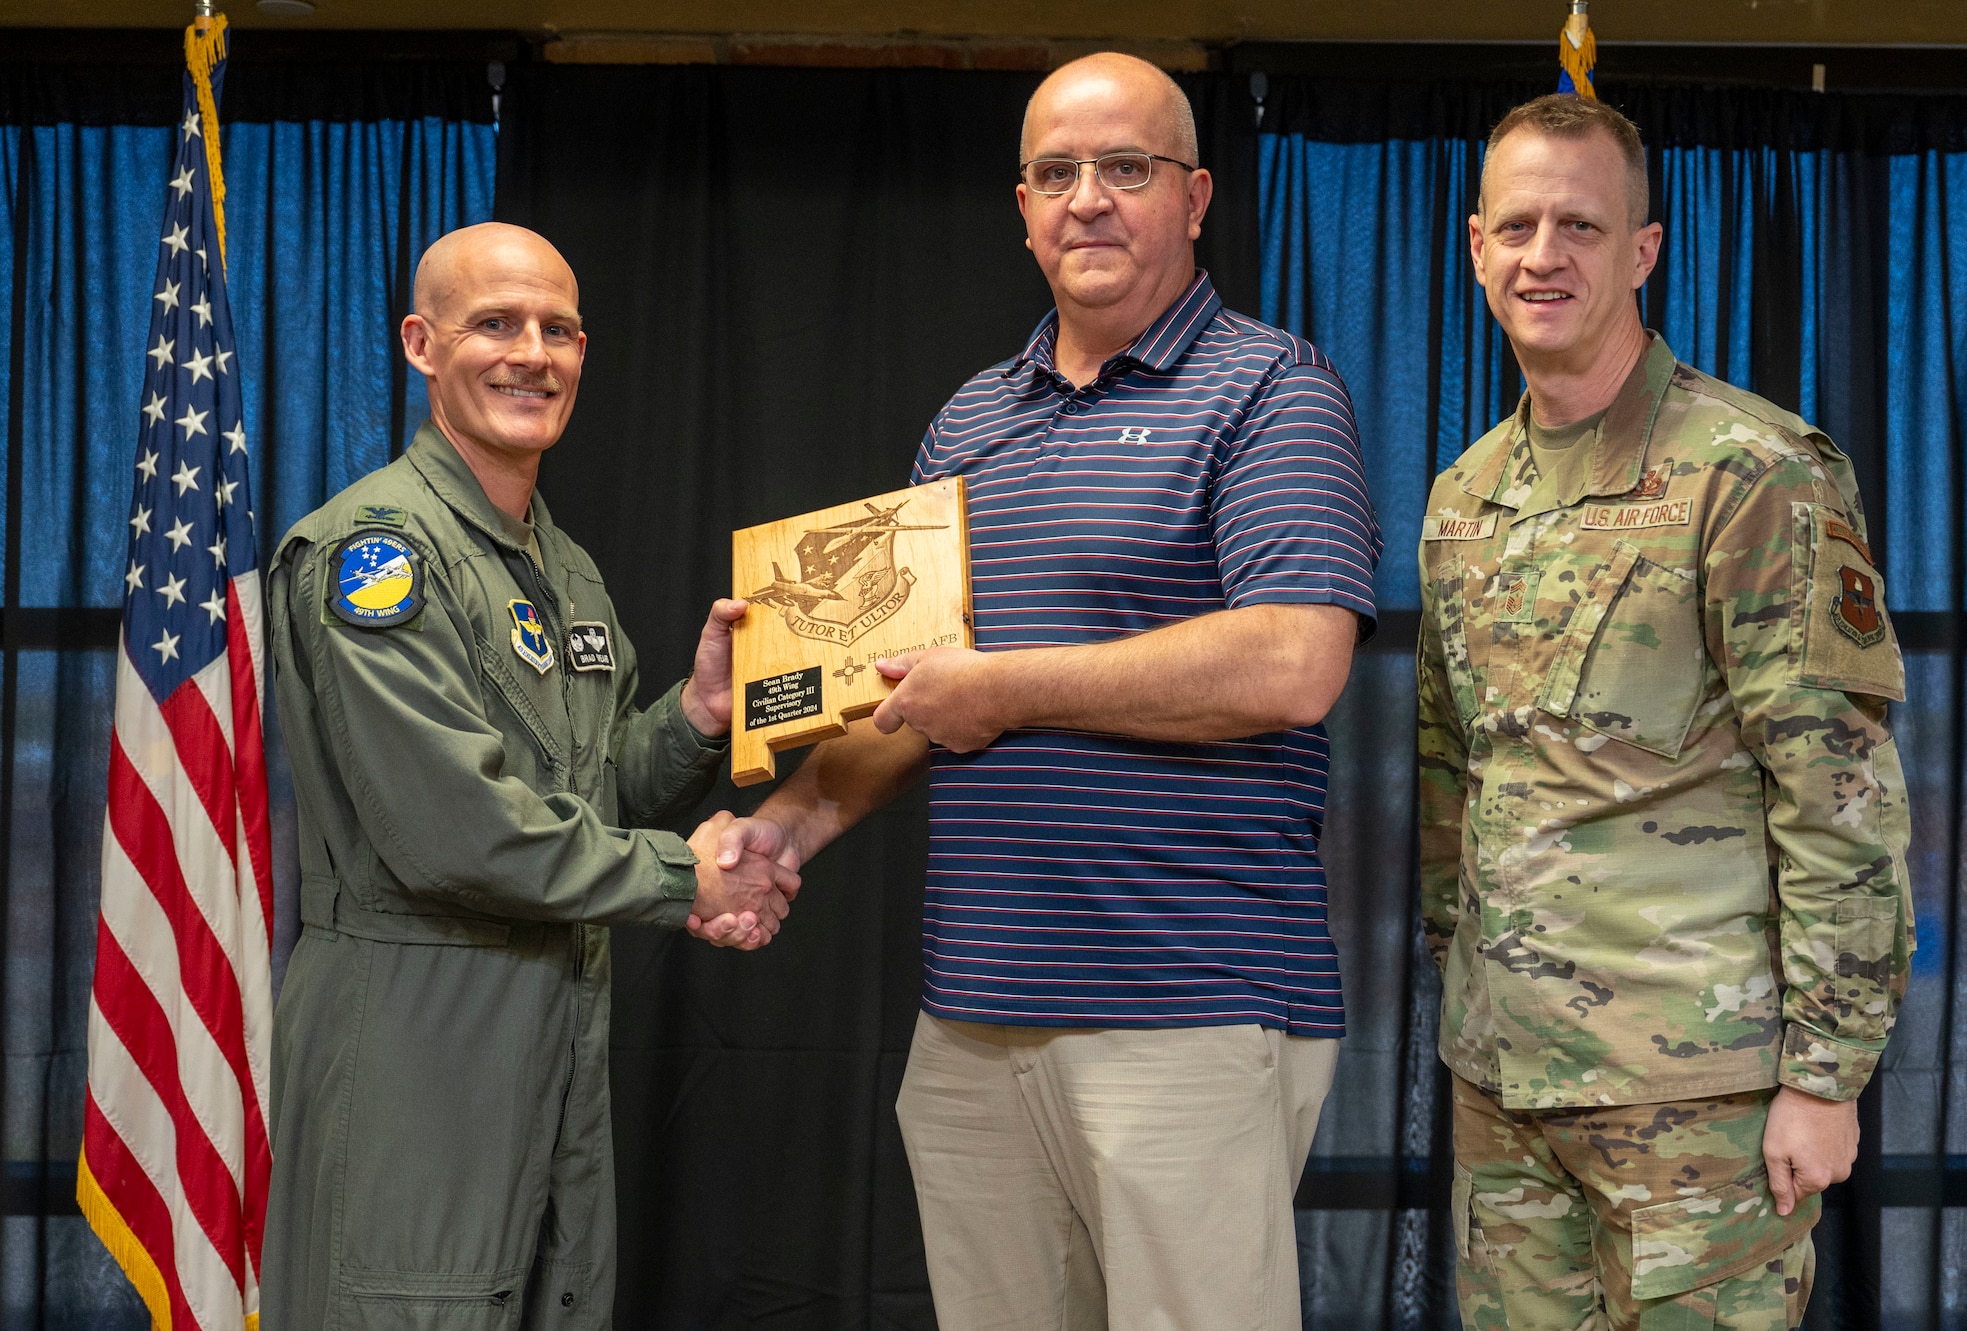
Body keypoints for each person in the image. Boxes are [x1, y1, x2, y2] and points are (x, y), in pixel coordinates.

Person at [715, 53, 1381, 1331]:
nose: (1088, 199)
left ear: (1192, 197)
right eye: (1057, 173)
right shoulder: (969, 420)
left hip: (1182, 1010)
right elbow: (905, 697)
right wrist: (784, 825)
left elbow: (1294, 663)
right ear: (1019, 207)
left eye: (1124, 168)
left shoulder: (1269, 389)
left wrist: (1005, 688)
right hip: (970, 1023)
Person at [1417, 94, 1914, 1330]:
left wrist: (1824, 1076)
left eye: (1580, 225)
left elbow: (1837, 794)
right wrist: (1462, 986)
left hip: (1700, 1102)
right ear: (1473, 244)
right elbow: (1451, 774)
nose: (1545, 255)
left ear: (1641, 251)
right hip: (1504, 1090)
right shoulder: (1462, 496)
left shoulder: (1750, 471)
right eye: (1517, 225)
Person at [262, 222, 797, 1329]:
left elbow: (588, 796)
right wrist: (686, 880)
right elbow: (456, 830)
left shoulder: (563, 569)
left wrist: (698, 713)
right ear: (421, 343)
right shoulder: (375, 555)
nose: (531, 354)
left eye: (558, 328)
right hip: (417, 1032)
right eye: (494, 324)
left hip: (555, 1027)